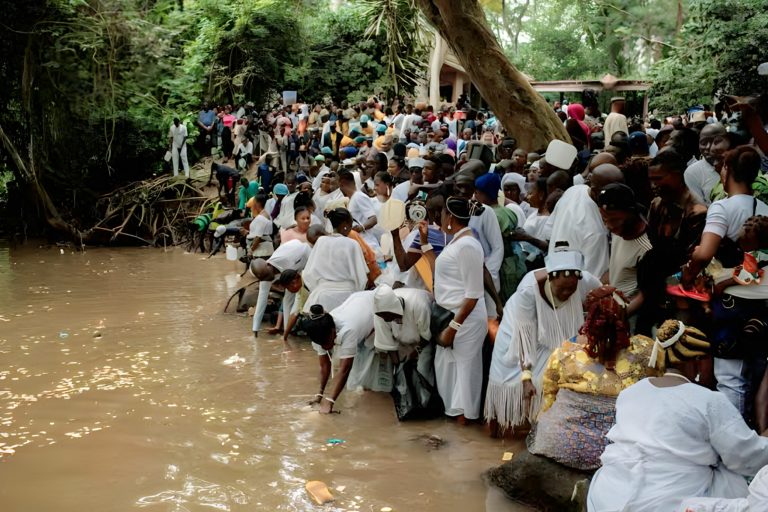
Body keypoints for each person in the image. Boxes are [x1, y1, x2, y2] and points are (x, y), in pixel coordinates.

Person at [587, 320, 768, 512]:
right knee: (732, 476)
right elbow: (745, 458)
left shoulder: (630, 392)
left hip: (607, 494)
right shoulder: (708, 400)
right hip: (664, 502)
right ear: (698, 362)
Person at [527, 286, 659, 470]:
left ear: (590, 318)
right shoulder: (646, 351)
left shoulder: (564, 354)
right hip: (614, 453)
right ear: (623, 317)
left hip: (558, 444)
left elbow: (548, 400)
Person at [682, 146, 768, 414]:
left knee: (730, 377)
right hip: (763, 297)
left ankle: (733, 442)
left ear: (727, 170)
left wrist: (692, 265)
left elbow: (706, 252)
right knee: (757, 372)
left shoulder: (722, 207)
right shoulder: (764, 207)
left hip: (733, 300)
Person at [485, 245, 602, 433]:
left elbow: (602, 290)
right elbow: (525, 338)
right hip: (518, 332)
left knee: (559, 373)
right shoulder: (528, 291)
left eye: (571, 289)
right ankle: (501, 424)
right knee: (507, 374)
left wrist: (603, 298)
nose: (567, 293)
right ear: (551, 278)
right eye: (562, 289)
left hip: (555, 336)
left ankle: (547, 426)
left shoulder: (585, 279)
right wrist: (526, 378)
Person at [425, 196, 488, 423]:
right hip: (451, 316)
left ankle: (465, 422)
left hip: (464, 320)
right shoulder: (457, 242)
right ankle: (457, 427)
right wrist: (424, 243)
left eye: (441, 214)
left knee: (464, 375)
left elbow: (473, 294)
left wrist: (453, 327)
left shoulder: (468, 245)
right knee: (450, 373)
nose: (438, 218)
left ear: (450, 217)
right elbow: (439, 273)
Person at [545, 164, 624, 278]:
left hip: (553, 273)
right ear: (596, 191)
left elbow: (547, 231)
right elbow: (594, 279)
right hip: (574, 287)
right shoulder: (596, 232)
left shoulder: (573, 190)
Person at [304, 292, 376, 414]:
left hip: (372, 307)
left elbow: (345, 369)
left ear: (333, 331)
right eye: (322, 344)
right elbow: (324, 365)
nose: (326, 347)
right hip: (355, 302)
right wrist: (319, 395)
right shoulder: (319, 331)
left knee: (369, 365)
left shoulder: (348, 329)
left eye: (327, 342)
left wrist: (329, 401)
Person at [597, 183, 652, 319]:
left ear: (631, 211)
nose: (609, 226)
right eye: (604, 220)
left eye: (615, 220)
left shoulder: (647, 248)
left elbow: (647, 294)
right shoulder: (618, 232)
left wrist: (617, 318)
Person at [302, 212, 368, 314]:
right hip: (348, 298)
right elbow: (362, 276)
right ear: (345, 225)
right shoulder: (352, 244)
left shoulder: (321, 241)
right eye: (350, 226)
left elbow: (308, 273)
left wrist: (319, 288)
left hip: (322, 296)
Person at [475, 173, 526, 303]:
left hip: (502, 268)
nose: (475, 196)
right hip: (513, 263)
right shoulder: (508, 211)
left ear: (484, 193)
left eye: (477, 192)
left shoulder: (490, 215)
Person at [250, 239, 311, 337]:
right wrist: (255, 329)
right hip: (293, 266)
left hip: (305, 256)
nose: (269, 280)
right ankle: (288, 329)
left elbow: (298, 290)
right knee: (287, 299)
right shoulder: (264, 275)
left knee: (302, 295)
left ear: (269, 265)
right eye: (267, 279)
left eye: (271, 276)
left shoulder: (286, 261)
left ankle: (290, 329)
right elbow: (261, 301)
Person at [684, 123, 729, 205]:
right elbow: (699, 208)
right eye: (703, 143)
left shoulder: (740, 163)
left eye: (717, 142)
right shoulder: (692, 172)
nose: (709, 147)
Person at [245, 194, 273, 258]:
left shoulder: (261, 218)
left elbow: (258, 237)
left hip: (261, 251)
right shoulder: (267, 215)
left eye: (253, 203)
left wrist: (250, 250)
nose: (252, 206)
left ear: (258, 203)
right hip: (265, 250)